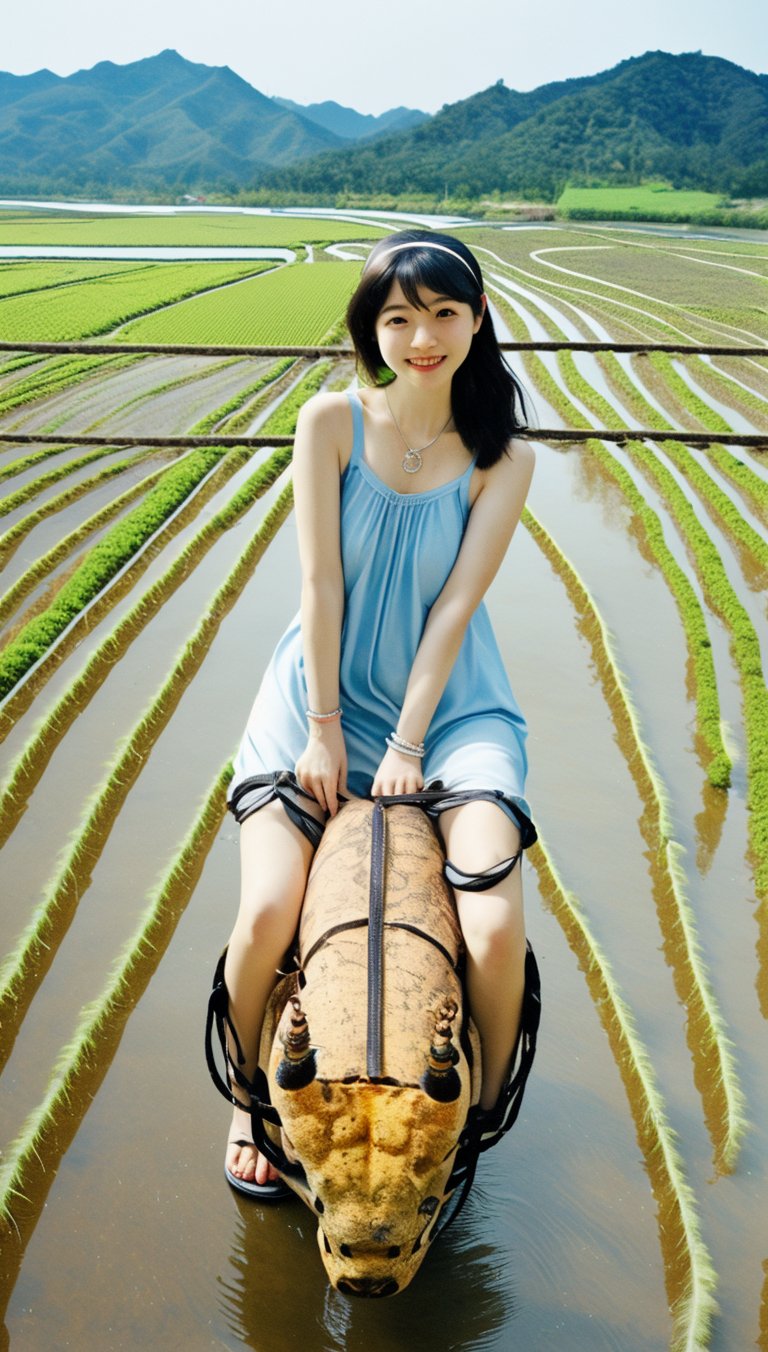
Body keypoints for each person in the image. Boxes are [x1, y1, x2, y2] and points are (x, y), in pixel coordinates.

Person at [218, 229, 537, 1199]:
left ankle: (469, 1116)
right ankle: (247, 1096)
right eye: (399, 317)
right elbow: (318, 579)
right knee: (271, 904)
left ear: (476, 320)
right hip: (313, 696)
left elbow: (454, 607)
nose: (423, 335)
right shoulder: (330, 423)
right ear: (374, 330)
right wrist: (324, 727)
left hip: (448, 710)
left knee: (490, 922)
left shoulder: (502, 459)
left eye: (444, 312)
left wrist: (405, 743)